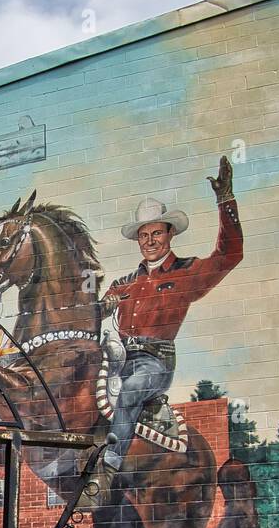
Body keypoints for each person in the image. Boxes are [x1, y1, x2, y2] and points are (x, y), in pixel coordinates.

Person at [90, 156, 243, 496]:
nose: (150, 240)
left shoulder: (186, 273)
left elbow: (229, 255)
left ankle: (108, 469)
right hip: (117, 356)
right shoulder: (125, 282)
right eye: (144, 235)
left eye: (157, 232)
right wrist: (101, 307)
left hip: (154, 362)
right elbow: (92, 315)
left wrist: (225, 202)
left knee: (130, 391)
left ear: (169, 233)